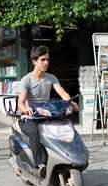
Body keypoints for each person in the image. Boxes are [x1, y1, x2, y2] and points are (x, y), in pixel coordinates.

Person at [18, 45, 78, 178]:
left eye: (47, 60)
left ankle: (70, 156)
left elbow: (63, 93)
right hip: (30, 117)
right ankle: (41, 165)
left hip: (46, 114)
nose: (46, 63)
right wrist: (25, 110)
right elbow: (21, 102)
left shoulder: (51, 78)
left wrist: (71, 103)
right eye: (42, 60)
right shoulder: (26, 80)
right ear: (34, 61)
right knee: (35, 132)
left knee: (64, 126)